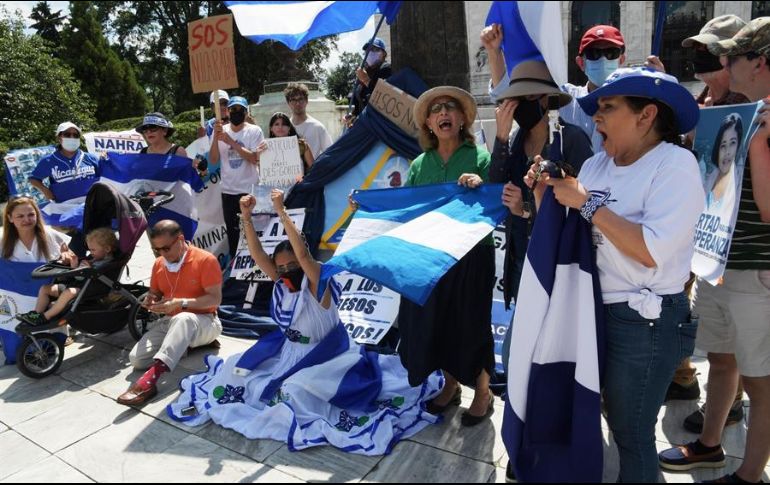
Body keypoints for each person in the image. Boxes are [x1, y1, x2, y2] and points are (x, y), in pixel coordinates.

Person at [166, 189, 442, 455]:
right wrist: (246, 218)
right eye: (282, 266)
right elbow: (259, 255)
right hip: (290, 352)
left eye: (291, 265)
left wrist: (281, 212)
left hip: (327, 357)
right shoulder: (282, 284)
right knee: (236, 371)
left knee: (292, 391)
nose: (287, 270)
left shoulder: (316, 282)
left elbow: (303, 257)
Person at [527, 67, 704, 481]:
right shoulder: (595, 166)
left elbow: (649, 252)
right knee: (599, 412)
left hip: (644, 323)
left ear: (646, 116)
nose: (597, 117)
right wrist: (543, 193)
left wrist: (585, 202)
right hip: (592, 310)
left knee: (631, 433)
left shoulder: (675, 165)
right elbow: (570, 234)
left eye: (608, 107)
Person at [659, 18, 770, 484]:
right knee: (722, 360)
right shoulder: (733, 112)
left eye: (730, 56)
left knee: (762, 386)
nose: (722, 63)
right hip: (719, 264)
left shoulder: (761, 121)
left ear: (758, 62)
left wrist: (760, 146)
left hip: (757, 274)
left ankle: (749, 475)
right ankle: (709, 445)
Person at [395, 86, 496, 427]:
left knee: (472, 324)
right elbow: (408, 209)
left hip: (472, 256)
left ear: (463, 118)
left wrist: (480, 184)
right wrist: (366, 206)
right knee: (439, 324)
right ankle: (451, 385)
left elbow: (497, 203)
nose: (443, 113)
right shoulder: (420, 164)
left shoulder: (481, 157)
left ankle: (483, 391)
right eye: (436, 109)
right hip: (433, 256)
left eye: (450, 108)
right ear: (428, 122)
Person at [490, 60, 593, 307]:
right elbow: (496, 187)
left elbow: (584, 206)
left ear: (547, 99)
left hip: (558, 261)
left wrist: (525, 209)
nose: (523, 104)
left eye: (530, 96)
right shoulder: (514, 141)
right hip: (520, 261)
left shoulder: (570, 139)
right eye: (517, 98)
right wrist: (501, 138)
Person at [117, 220, 223, 406]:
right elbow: (155, 292)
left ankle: (151, 379)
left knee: (184, 318)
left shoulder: (205, 260)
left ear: (180, 239)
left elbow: (214, 300)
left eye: (166, 248)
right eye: (157, 250)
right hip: (172, 321)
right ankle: (184, 346)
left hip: (205, 321)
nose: (162, 254)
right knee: (137, 359)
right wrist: (150, 299)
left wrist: (181, 303)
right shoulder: (159, 263)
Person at [483, 24, 627, 153]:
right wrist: (493, 51)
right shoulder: (567, 98)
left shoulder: (635, 106)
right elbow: (507, 93)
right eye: (593, 54)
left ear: (621, 60)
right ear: (581, 63)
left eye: (611, 53)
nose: (603, 60)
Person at [1, 196, 76, 345]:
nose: (26, 219)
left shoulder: (49, 234)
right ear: (10, 218)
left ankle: (59, 333)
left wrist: (67, 256)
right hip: (18, 299)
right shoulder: (3, 241)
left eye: (31, 214)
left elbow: (72, 257)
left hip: (46, 294)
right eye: (20, 216)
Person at [15, 227, 118, 329]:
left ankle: (45, 317)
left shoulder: (106, 264)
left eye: (93, 250)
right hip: (79, 284)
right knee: (45, 288)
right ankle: (36, 314)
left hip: (91, 288)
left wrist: (84, 268)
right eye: (89, 249)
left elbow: (82, 277)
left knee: (69, 292)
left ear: (107, 249)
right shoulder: (94, 258)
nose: (90, 253)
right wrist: (75, 265)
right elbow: (78, 277)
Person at [208, 96, 266, 259]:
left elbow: (255, 158)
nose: (236, 113)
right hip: (228, 191)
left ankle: (256, 264)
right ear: (227, 111)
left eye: (241, 110)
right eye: (233, 109)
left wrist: (231, 142)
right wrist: (215, 137)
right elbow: (213, 159)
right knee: (233, 235)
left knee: (253, 233)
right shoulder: (220, 130)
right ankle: (236, 270)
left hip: (249, 190)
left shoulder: (254, 131)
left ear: (246, 112)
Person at [28, 122, 100, 203]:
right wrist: (45, 191)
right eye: (67, 134)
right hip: (64, 208)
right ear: (59, 137)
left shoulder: (91, 158)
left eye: (75, 135)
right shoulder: (49, 161)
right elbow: (33, 179)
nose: (72, 137)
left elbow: (104, 177)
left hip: (91, 205)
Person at [284, 83, 333, 158]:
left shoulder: (318, 127)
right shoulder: (284, 128)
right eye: (293, 100)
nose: (297, 103)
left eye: (301, 99)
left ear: (306, 101)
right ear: (288, 103)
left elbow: (330, 153)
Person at [706, 113, 743, 209]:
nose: (727, 152)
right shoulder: (707, 181)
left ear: (738, 146)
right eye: (723, 145)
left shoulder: (739, 185)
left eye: (732, 143)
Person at [349, 37, 392, 119]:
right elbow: (358, 103)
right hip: (363, 122)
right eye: (367, 50)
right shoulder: (363, 73)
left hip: (378, 123)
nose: (370, 52)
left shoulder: (386, 69)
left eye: (375, 49)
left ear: (384, 54)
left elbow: (385, 98)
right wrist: (352, 116)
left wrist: (366, 80)